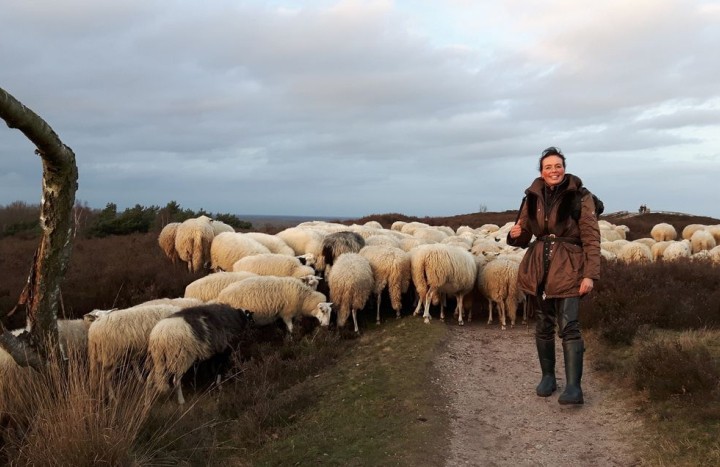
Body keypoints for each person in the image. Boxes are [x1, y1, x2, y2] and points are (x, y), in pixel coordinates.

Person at [507, 147, 600, 405]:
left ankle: (573, 388)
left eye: (557, 165)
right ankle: (548, 377)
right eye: (548, 167)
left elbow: (592, 238)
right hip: (539, 267)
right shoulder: (532, 197)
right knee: (543, 324)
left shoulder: (581, 197)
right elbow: (525, 233)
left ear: (564, 168)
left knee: (569, 326)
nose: (553, 171)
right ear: (541, 171)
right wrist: (516, 235)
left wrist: (590, 275)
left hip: (569, 266)